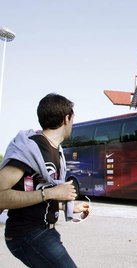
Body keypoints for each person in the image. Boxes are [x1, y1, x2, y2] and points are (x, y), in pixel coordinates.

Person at [0, 93, 91, 267]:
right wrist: (51, 192)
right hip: (27, 234)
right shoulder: (30, 148)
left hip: (45, 232)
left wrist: (68, 206)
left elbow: (35, 198)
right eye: (73, 119)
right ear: (67, 118)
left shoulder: (57, 150)